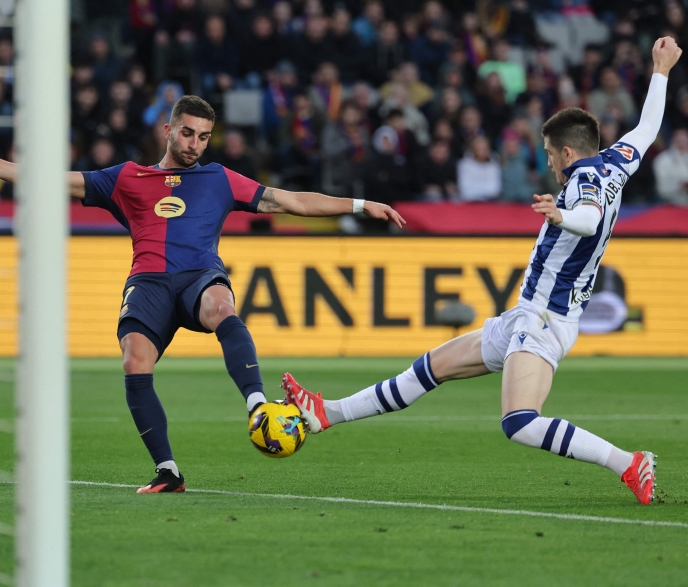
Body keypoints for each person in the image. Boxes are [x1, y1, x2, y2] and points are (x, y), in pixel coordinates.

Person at [280, 37, 682, 506]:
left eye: (551, 155)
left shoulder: (585, 180)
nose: (549, 163)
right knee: (429, 369)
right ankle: (323, 414)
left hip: (545, 321)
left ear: (568, 154)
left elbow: (589, 218)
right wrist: (661, 70)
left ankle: (628, 463)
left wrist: (560, 217)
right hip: (526, 314)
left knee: (520, 422)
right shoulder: (614, 163)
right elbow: (648, 127)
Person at [0, 95, 405, 493]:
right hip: (148, 282)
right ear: (168, 130)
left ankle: (256, 405)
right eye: (187, 133)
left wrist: (362, 206)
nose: (194, 144)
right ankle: (167, 471)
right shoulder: (127, 178)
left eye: (204, 137)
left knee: (221, 305)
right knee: (134, 359)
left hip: (198, 275)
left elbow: (292, 201)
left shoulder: (219, 178)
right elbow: (54, 180)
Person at [653, 127, 688, 205]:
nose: (682, 143)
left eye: (684, 140)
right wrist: (679, 186)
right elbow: (660, 188)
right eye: (679, 141)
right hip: (670, 203)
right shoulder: (662, 160)